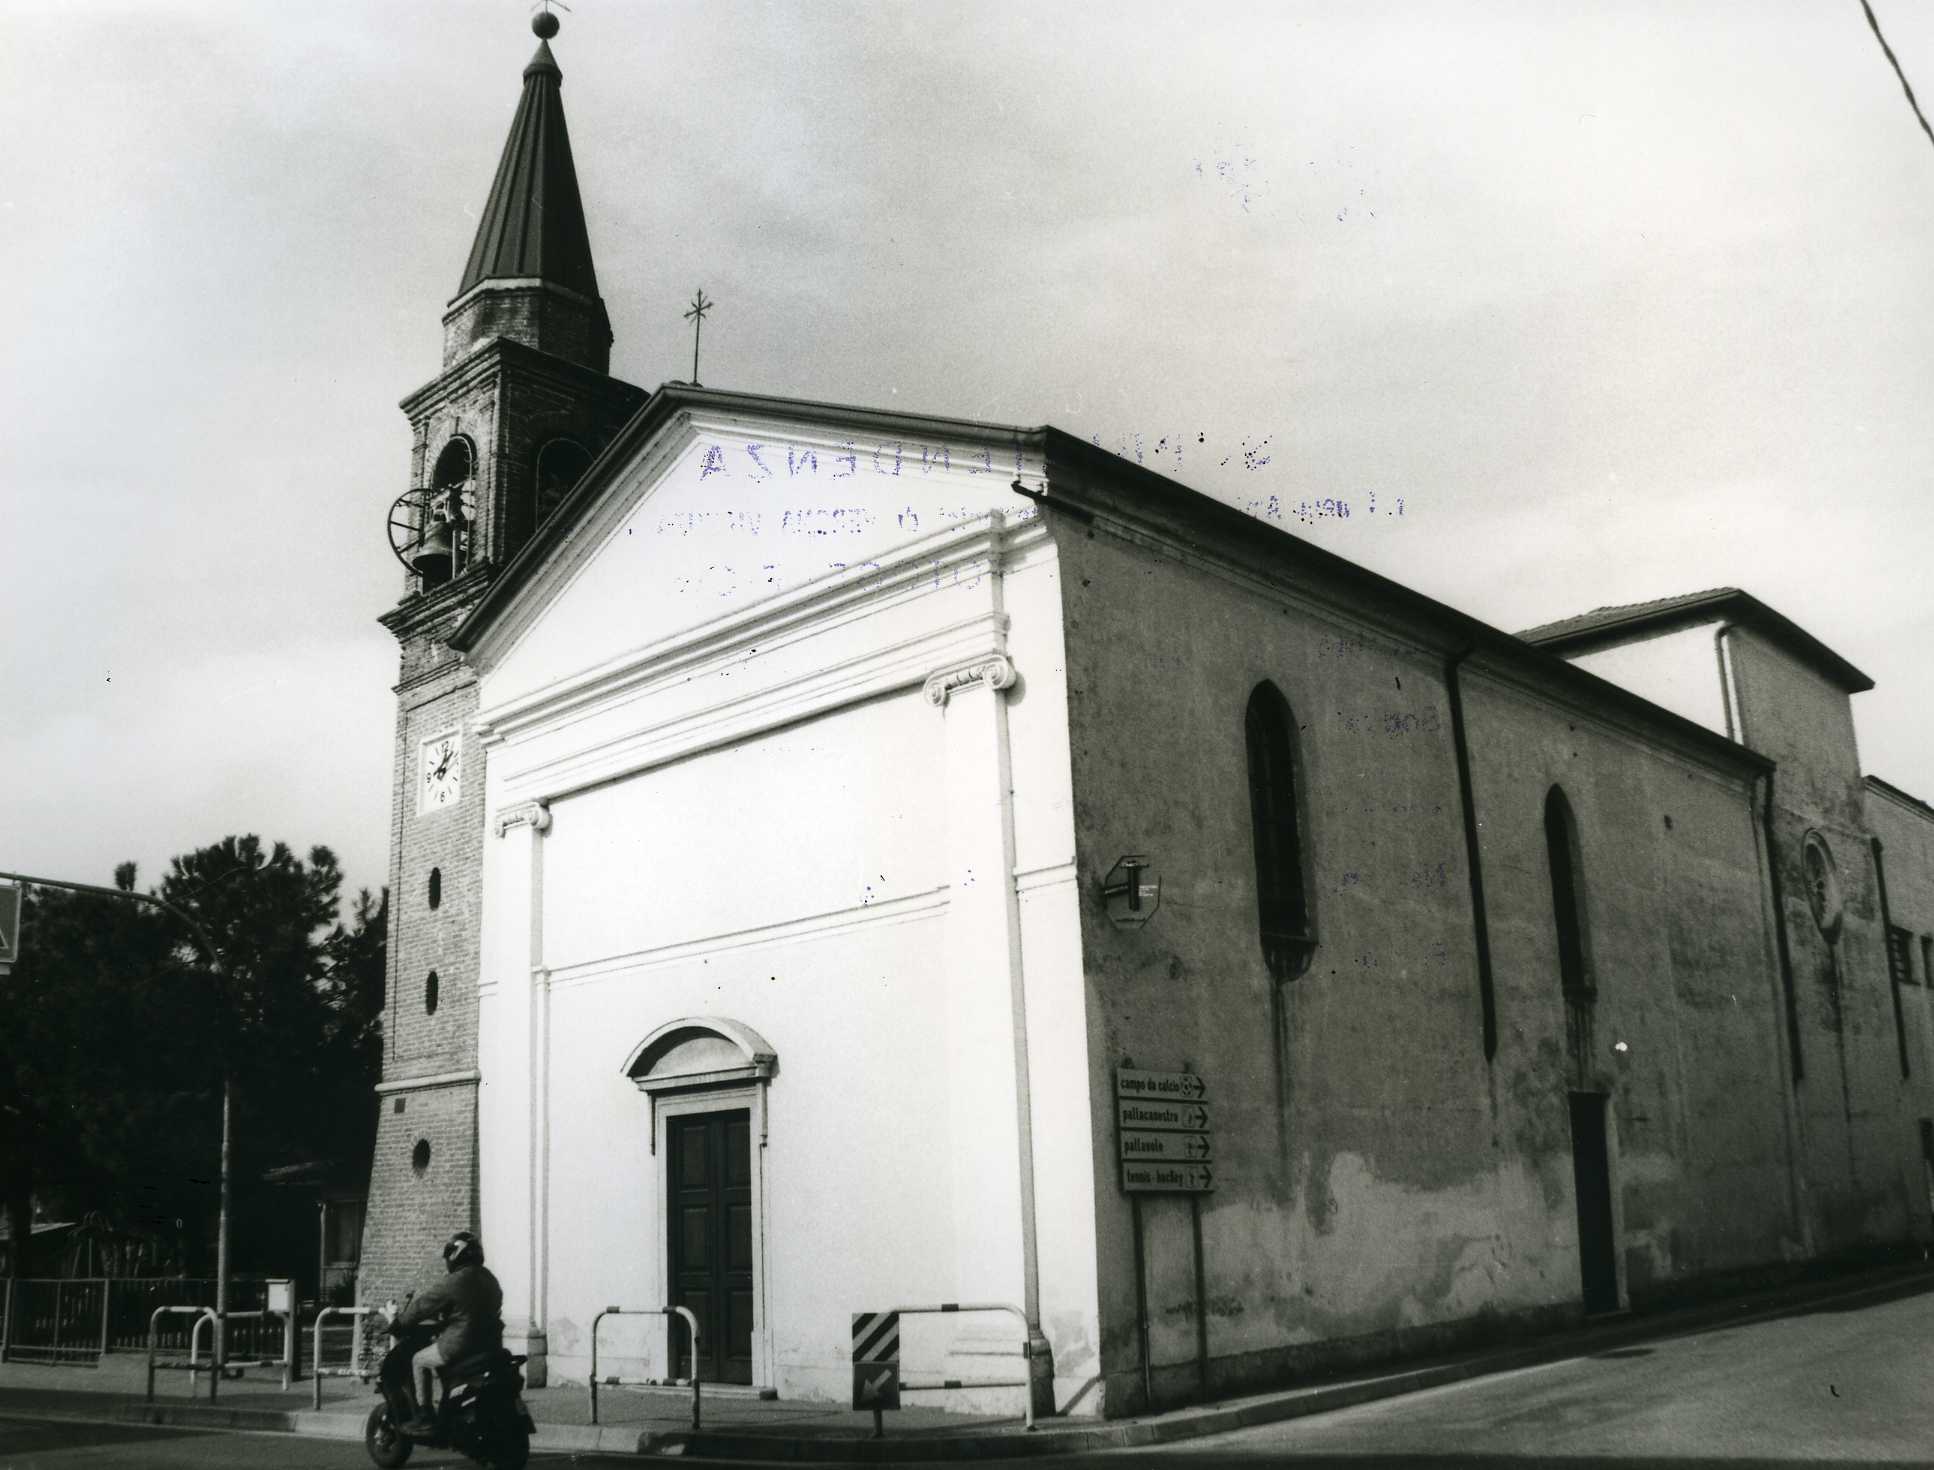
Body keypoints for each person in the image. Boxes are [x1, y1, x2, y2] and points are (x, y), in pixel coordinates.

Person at [387, 1230, 504, 1432]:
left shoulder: (454, 1281)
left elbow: (423, 1305)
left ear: (456, 1254)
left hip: (460, 1344)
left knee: (419, 1360)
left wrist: (399, 1323)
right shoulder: (490, 1278)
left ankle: (425, 1415)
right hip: (489, 1344)